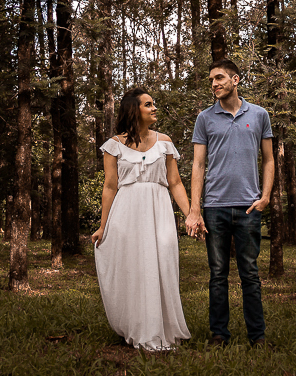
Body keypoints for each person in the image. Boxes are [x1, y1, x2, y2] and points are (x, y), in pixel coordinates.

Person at [91, 87, 192, 351]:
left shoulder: (165, 142)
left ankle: (161, 329)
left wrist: (192, 214)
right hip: (127, 213)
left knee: (162, 264)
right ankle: (138, 326)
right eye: (148, 104)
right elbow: (110, 186)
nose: (154, 107)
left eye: (153, 103)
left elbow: (175, 182)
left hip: (159, 212)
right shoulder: (113, 145)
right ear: (134, 110)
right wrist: (103, 226)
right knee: (134, 267)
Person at [185, 59, 273, 347]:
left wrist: (265, 197)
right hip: (214, 208)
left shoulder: (259, 115)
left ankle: (257, 337)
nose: (214, 84)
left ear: (236, 80)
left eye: (220, 78)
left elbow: (269, 159)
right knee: (217, 274)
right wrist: (195, 209)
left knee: (249, 272)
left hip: (249, 208)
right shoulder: (205, 118)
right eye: (211, 80)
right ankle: (219, 334)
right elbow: (198, 165)